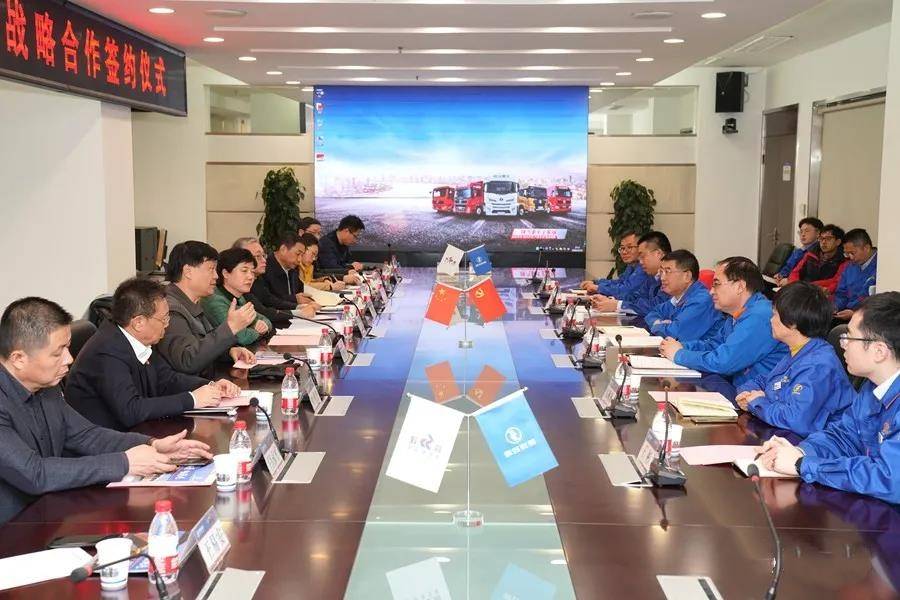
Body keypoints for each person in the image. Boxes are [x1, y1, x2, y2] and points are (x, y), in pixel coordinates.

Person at [0, 297, 212, 524]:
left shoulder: (46, 386)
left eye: (68, 348)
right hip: (14, 527)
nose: (69, 359)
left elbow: (86, 435)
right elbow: (35, 474)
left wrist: (152, 444)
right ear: (18, 359)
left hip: (51, 510)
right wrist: (125, 462)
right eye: (57, 353)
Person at [761, 293, 900, 504]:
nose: (843, 344)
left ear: (879, 351)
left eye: (849, 337)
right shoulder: (872, 387)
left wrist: (803, 465)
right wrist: (799, 451)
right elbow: (843, 437)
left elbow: (890, 479)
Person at [66, 278, 240, 431]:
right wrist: (192, 399)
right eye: (163, 319)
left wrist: (210, 386)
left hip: (135, 432)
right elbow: (131, 410)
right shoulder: (107, 351)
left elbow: (166, 379)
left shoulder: (136, 339)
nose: (167, 325)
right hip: (105, 445)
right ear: (139, 323)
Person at [734, 282, 855, 437]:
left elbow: (795, 419)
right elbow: (766, 381)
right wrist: (747, 394)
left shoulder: (819, 365)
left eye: (775, 315)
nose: (771, 320)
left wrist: (758, 403)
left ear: (792, 322)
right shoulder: (798, 350)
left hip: (818, 443)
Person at [661, 257, 789, 389]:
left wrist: (679, 354)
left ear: (739, 286)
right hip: (741, 389)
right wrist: (680, 346)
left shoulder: (760, 315)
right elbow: (714, 345)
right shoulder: (738, 313)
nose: (711, 291)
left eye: (716, 284)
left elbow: (723, 362)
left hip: (761, 396)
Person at [157, 241, 256, 378]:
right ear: (188, 271)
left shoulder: (192, 303)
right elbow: (187, 361)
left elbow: (203, 342)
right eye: (211, 269)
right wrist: (230, 327)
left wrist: (230, 352)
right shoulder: (169, 309)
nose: (216, 276)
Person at [644, 249, 723, 342]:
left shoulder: (702, 300)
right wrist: (660, 323)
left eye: (667, 272)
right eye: (661, 272)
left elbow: (676, 334)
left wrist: (658, 326)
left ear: (687, 276)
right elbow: (652, 313)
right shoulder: (677, 298)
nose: (662, 278)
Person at [591, 231, 671, 317]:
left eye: (643, 256)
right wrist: (611, 300)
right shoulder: (653, 276)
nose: (640, 262)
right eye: (622, 248)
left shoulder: (671, 277)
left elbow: (655, 307)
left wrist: (618, 305)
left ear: (658, 254)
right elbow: (636, 297)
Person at [202, 248, 273, 347]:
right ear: (225, 273)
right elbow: (241, 338)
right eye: (244, 271)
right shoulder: (213, 301)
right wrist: (257, 330)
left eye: (252, 272)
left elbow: (265, 320)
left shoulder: (239, 297)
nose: (250, 277)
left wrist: (262, 326)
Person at [232, 237, 302, 327]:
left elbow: (270, 300)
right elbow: (263, 312)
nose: (264, 260)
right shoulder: (240, 285)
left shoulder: (258, 278)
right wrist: (299, 312)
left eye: (263, 255)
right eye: (258, 256)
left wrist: (298, 307)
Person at [260, 231, 319, 310]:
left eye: (302, 255)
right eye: (298, 254)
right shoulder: (264, 269)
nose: (299, 260)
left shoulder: (292, 269)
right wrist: (295, 300)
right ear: (283, 249)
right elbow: (268, 300)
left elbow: (302, 290)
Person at [579, 231, 648, 297]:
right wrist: (595, 282)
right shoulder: (631, 266)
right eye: (622, 248)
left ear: (641, 247)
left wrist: (598, 288)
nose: (624, 252)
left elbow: (626, 290)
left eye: (629, 247)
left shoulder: (644, 267)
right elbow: (619, 282)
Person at [788, 224, 848, 295]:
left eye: (828, 239)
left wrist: (810, 286)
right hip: (803, 290)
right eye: (821, 238)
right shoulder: (811, 254)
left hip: (822, 294)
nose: (823, 242)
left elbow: (836, 281)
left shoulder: (843, 261)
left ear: (838, 242)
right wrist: (795, 286)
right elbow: (795, 272)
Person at [834, 228, 878, 321]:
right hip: (846, 313)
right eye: (846, 254)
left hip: (868, 318)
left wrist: (854, 313)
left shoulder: (881, 267)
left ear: (866, 248)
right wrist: (835, 307)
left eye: (852, 253)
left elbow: (876, 302)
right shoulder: (850, 267)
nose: (850, 257)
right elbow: (841, 293)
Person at [774, 217, 823, 283]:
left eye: (807, 231)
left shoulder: (818, 252)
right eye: (801, 231)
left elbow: (809, 277)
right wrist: (781, 275)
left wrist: (789, 280)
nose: (803, 234)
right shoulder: (798, 251)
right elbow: (788, 266)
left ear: (818, 233)